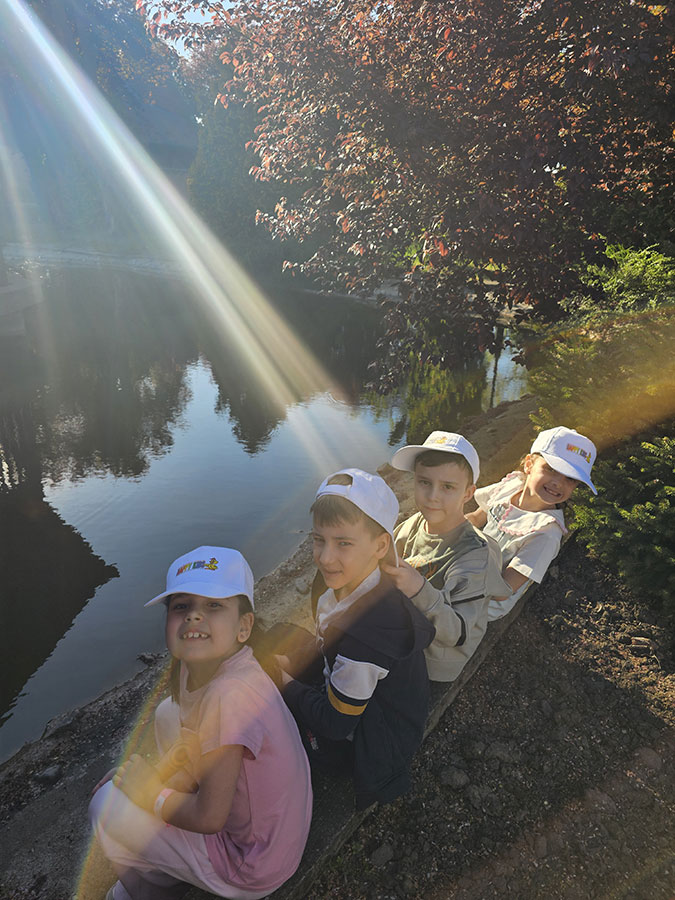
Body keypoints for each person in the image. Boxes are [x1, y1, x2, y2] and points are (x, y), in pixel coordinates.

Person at [89, 546, 312, 900]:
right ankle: (173, 852)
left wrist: (150, 793)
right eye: (181, 606)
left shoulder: (229, 697)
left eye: (213, 606)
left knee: (104, 805)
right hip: (273, 831)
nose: (194, 616)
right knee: (167, 713)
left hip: (252, 863)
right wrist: (161, 774)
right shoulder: (203, 668)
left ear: (244, 627)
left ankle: (153, 889)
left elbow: (210, 818)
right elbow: (194, 739)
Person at [276, 468, 435, 811]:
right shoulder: (343, 581)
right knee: (278, 639)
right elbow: (329, 643)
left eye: (343, 543)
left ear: (380, 546)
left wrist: (285, 683)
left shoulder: (368, 639)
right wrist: (296, 663)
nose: (325, 557)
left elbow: (336, 723)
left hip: (370, 743)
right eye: (319, 539)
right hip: (361, 693)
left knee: (275, 720)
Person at [386, 431, 511, 682]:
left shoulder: (474, 557)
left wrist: (418, 588)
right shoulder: (415, 523)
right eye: (424, 482)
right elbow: (388, 558)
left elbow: (456, 633)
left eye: (448, 487)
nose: (433, 496)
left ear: (468, 493)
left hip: (430, 663)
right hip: (404, 630)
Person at [466, 426, 597, 621]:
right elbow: (476, 518)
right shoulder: (510, 487)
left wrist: (461, 571)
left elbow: (504, 590)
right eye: (551, 469)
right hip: (469, 563)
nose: (558, 483)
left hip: (483, 600)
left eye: (570, 479)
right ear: (529, 464)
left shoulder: (546, 533)